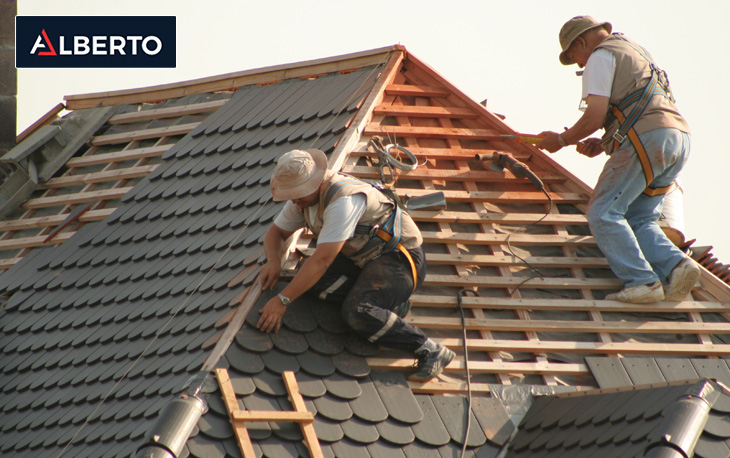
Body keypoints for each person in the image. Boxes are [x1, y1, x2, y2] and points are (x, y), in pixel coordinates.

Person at [536, 16, 700, 303]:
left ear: (581, 42)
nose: (578, 64)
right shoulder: (633, 50)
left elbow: (594, 115)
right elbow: (635, 105)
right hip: (676, 138)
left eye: (574, 56)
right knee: (639, 217)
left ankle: (642, 281)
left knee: (603, 211)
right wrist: (604, 143)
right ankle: (677, 264)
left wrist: (561, 140)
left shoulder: (600, 56)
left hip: (647, 139)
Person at [256, 148, 454, 381]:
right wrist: (273, 261)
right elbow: (276, 233)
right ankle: (388, 305)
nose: (294, 199)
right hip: (361, 258)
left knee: (357, 312)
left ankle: (429, 349)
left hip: (399, 259)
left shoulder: (343, 201)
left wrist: (283, 300)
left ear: (314, 183)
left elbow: (322, 260)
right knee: (306, 280)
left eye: (297, 193)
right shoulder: (304, 200)